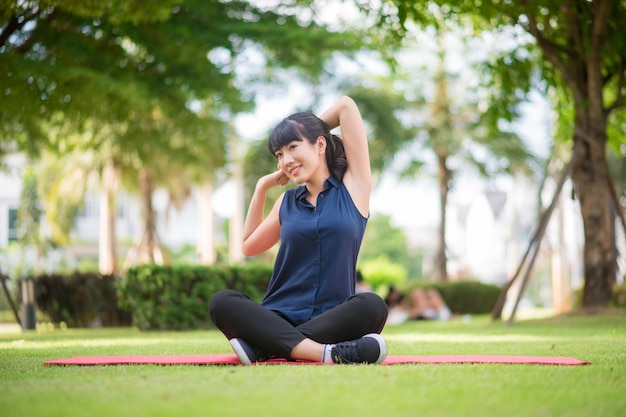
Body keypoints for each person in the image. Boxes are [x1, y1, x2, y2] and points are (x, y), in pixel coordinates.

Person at [209, 96, 388, 365]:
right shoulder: (286, 203)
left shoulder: (354, 188)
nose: (286, 160)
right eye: (279, 154)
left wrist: (310, 127)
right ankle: (328, 353)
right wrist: (261, 188)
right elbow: (248, 245)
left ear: (320, 144)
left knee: (372, 306)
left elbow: (346, 107)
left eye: (293, 147)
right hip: (279, 314)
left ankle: (266, 347)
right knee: (222, 302)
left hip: (332, 319)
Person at [385, 287, 451, 325]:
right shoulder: (398, 312)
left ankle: (424, 306)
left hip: (429, 313)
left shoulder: (406, 311)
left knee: (431, 292)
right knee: (419, 292)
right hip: (419, 314)